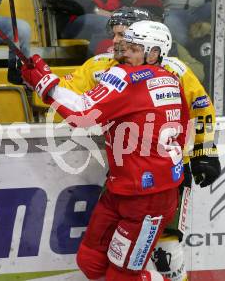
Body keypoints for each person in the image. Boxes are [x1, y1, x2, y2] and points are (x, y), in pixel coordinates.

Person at [56, 6, 221, 281]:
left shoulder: (174, 69)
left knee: (165, 250)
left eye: (126, 35)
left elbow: (201, 107)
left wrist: (205, 150)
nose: (118, 41)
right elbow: (66, 94)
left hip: (169, 173)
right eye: (116, 34)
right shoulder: (99, 65)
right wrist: (35, 81)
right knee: (112, 256)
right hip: (125, 174)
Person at [22, 20, 188, 281]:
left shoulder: (130, 78)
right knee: (91, 260)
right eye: (126, 46)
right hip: (124, 188)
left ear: (154, 53)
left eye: (134, 48)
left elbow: (82, 114)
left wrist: (45, 83)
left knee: (121, 275)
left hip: (149, 197)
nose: (125, 53)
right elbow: (183, 125)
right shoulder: (172, 79)